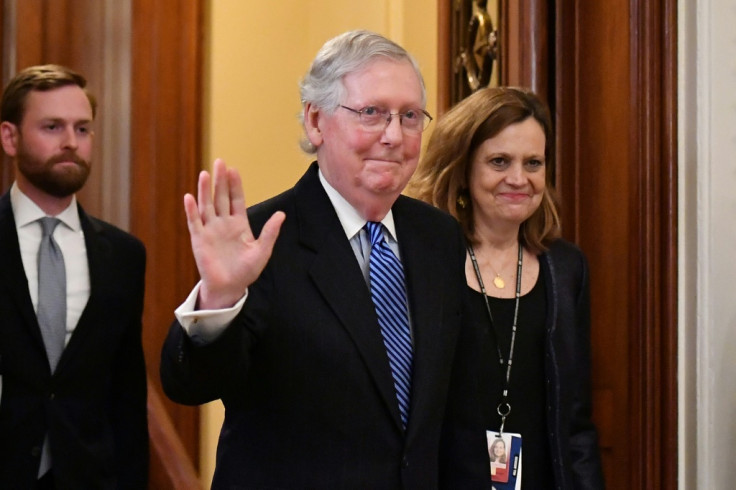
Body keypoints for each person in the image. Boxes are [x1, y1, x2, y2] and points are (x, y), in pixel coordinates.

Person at [160, 30, 490, 489]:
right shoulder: (260, 240)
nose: (394, 136)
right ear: (316, 122)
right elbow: (189, 386)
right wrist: (220, 297)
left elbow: (459, 411)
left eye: (410, 116)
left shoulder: (438, 237)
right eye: (372, 113)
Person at [408, 87, 605, 489]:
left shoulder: (566, 269)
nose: (519, 179)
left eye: (533, 163)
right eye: (499, 161)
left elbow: (576, 423)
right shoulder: (420, 263)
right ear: (463, 168)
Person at [0, 65, 149, 488]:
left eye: (83, 129)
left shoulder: (123, 255)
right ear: (10, 137)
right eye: (52, 127)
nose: (71, 142)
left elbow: (127, 395)